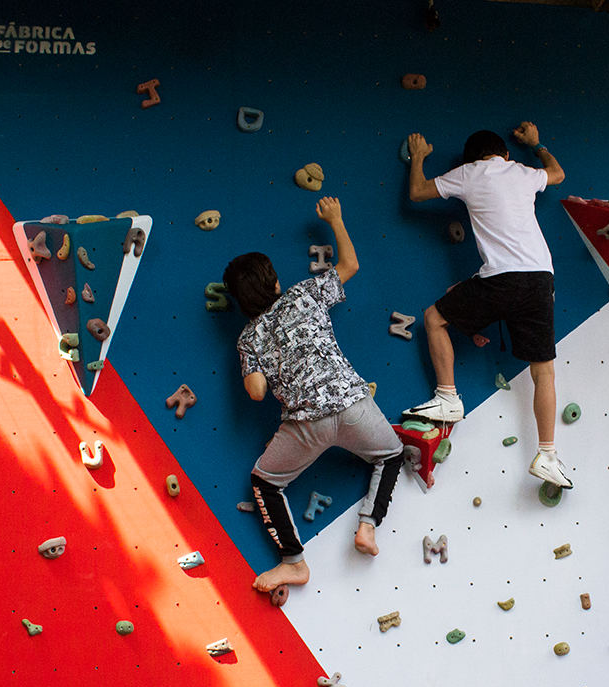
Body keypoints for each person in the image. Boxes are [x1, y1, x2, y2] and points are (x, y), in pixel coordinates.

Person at [224, 197, 404, 594]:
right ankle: (368, 527)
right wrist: (337, 219)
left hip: (307, 424)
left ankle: (293, 563)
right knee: (391, 455)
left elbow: (256, 393)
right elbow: (350, 265)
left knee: (265, 482)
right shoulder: (304, 294)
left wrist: (259, 359)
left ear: (241, 302)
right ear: (274, 283)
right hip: (353, 405)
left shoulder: (248, 337)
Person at [403, 122, 573, 488]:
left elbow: (417, 192)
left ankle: (448, 397)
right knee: (543, 371)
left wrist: (417, 157)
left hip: (503, 276)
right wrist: (536, 143)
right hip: (542, 277)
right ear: (505, 154)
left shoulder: (468, 173)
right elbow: (558, 173)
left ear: (471, 159)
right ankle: (548, 455)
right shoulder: (523, 172)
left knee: (434, 319)